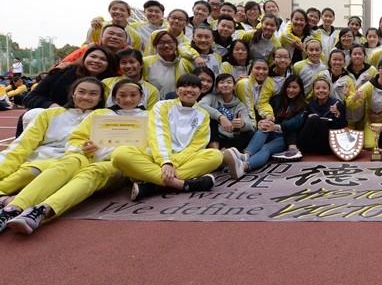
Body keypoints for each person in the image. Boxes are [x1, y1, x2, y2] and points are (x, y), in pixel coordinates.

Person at [1, 80, 147, 234]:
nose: (128, 99)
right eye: (122, 95)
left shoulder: (149, 116)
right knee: (70, 160)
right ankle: (12, 209)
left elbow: (153, 145)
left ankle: (42, 210)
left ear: (141, 96)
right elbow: (75, 141)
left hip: (117, 164)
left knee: (92, 171)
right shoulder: (100, 115)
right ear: (115, 97)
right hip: (84, 158)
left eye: (133, 95)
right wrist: (84, 147)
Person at [0, 77, 106, 219]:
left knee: (32, 172)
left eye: (93, 94)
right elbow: (22, 146)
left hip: (70, 164)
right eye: (81, 92)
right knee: (24, 170)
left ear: (100, 98)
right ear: (73, 93)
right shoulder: (48, 114)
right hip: (36, 161)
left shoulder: (103, 118)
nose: (86, 97)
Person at [111, 74, 223, 199]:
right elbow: (158, 134)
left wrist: (172, 164)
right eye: (184, 86)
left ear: (200, 91)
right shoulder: (162, 106)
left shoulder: (203, 114)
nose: (189, 90)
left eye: (194, 86)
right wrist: (165, 161)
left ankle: (152, 185)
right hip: (154, 156)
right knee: (120, 154)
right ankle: (182, 184)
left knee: (216, 155)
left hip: (182, 160)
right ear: (177, 90)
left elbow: (197, 145)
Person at [223, 75, 308, 178]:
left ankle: (243, 167)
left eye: (295, 87)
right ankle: (246, 156)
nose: (291, 90)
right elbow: (266, 110)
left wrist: (276, 126)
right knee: (264, 128)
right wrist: (266, 121)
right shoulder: (278, 100)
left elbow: (296, 122)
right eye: (288, 87)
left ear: (300, 90)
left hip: (286, 138)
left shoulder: (303, 105)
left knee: (266, 148)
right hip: (272, 132)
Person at [199, 73, 254, 151]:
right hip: (215, 137)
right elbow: (201, 105)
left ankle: (224, 152)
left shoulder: (239, 105)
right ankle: (216, 151)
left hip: (231, 140)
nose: (225, 85)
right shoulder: (212, 97)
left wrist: (242, 124)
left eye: (229, 82)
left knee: (250, 133)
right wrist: (220, 117)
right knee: (210, 120)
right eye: (221, 82)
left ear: (234, 86)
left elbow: (249, 124)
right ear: (217, 87)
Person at [297, 77, 347, 155]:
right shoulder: (310, 105)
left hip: (330, 142)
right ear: (313, 90)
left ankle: (298, 148)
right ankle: (297, 148)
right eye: (317, 88)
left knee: (314, 119)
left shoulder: (337, 104)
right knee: (311, 119)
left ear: (329, 90)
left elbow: (343, 126)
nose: (321, 90)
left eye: (324, 88)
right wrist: (308, 119)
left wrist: (337, 113)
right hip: (314, 142)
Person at [143, 30, 192, 98]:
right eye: (161, 42)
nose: (166, 45)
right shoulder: (146, 62)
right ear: (155, 46)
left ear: (176, 45)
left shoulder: (182, 64)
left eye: (170, 42)